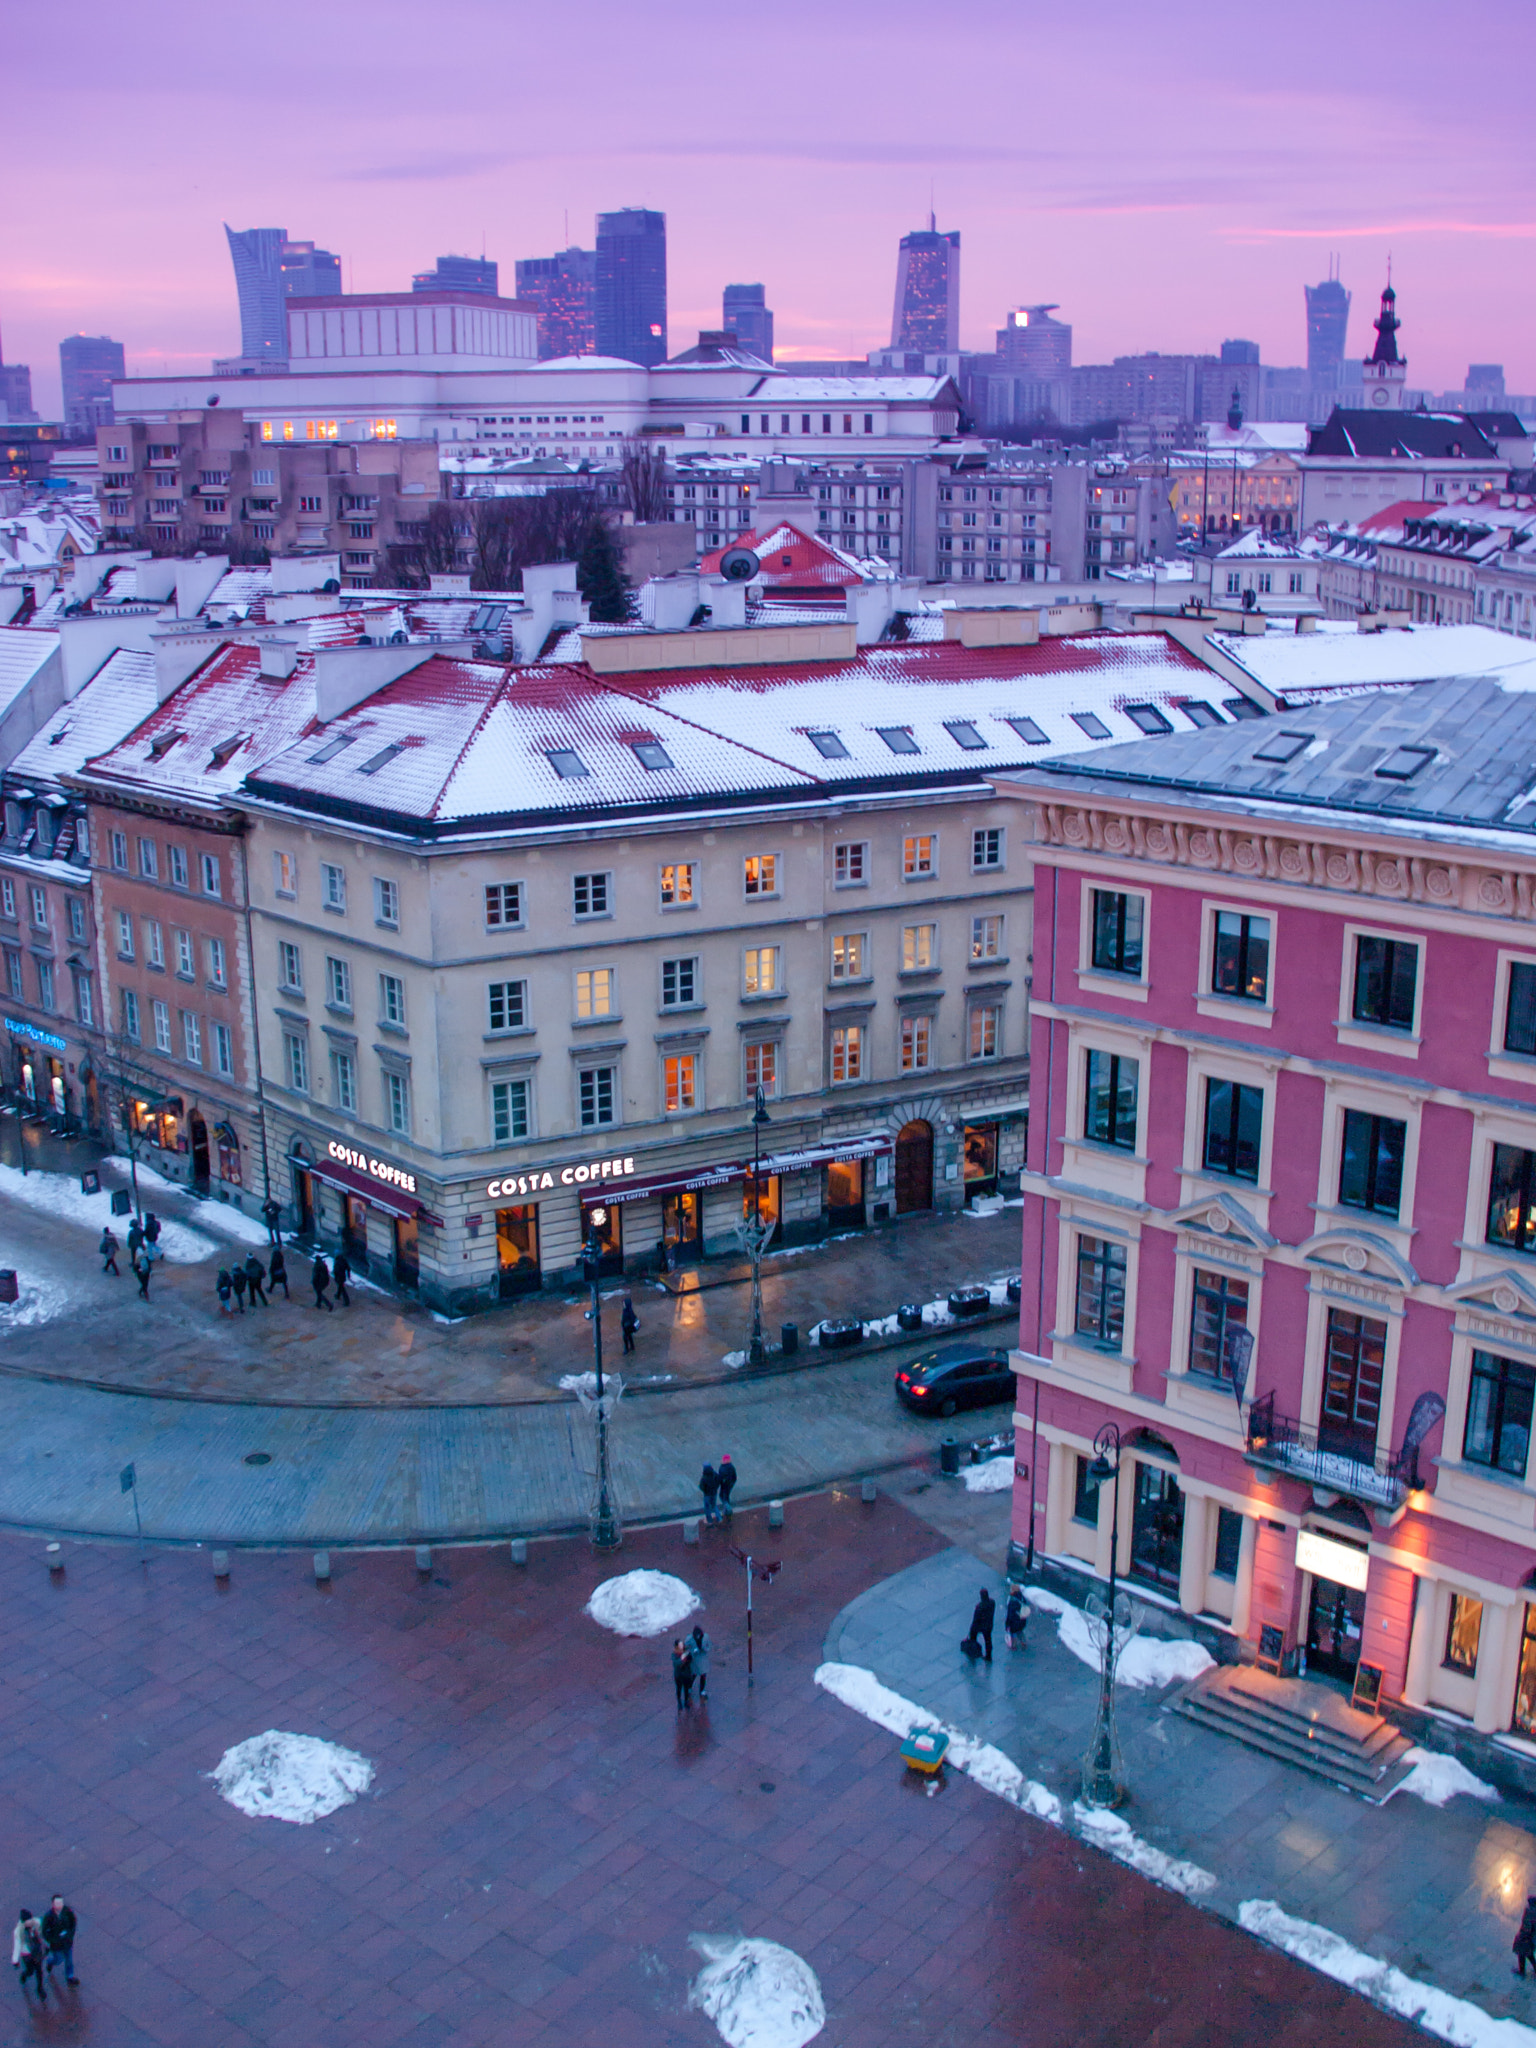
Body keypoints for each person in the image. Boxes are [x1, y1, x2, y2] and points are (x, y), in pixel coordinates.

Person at [41, 1897, 76, 1988]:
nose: (59, 1905)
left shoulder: (67, 1911)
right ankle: (50, 1962)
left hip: (67, 1942)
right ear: (53, 1904)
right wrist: (53, 1940)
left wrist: (70, 1934)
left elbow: (73, 1922)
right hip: (56, 1945)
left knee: (69, 1960)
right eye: (57, 1903)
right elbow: (45, 1931)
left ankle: (70, 1976)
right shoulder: (49, 1916)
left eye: (60, 1903)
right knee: (58, 1959)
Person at [12, 1909, 45, 2003]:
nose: (30, 1922)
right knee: (30, 1971)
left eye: (31, 1919)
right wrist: (15, 1960)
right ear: (24, 1922)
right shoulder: (18, 1932)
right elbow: (17, 1946)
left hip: (37, 1951)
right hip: (27, 1954)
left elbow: (42, 1933)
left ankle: (40, 1988)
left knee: (39, 1971)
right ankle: (24, 1975)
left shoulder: (37, 1923)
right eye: (28, 1921)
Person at [963, 1586, 996, 1664]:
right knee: (988, 1641)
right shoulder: (992, 1602)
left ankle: (973, 1651)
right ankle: (989, 1656)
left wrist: (971, 1629)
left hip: (980, 1626)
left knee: (973, 1637)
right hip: (988, 1625)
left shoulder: (979, 1607)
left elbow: (975, 1620)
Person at [689, 1623, 712, 1703]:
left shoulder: (706, 1637)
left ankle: (702, 1690)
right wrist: (692, 1652)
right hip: (695, 1661)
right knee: (694, 1675)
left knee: (703, 1676)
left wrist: (704, 1649)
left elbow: (708, 1647)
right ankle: (689, 1687)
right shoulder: (689, 1639)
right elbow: (686, 1648)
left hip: (702, 1661)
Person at [671, 1638, 694, 1711]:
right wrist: (682, 1658)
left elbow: (690, 1659)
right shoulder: (674, 1654)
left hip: (686, 1673)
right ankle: (679, 1702)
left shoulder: (686, 1650)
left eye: (682, 1644)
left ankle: (686, 1701)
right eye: (680, 1644)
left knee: (686, 1689)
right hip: (679, 1675)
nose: (682, 1645)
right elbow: (676, 1663)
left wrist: (688, 1656)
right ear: (677, 1646)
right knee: (679, 1689)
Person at [1516, 1896, 1536, 1977]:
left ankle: (1521, 1971)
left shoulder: (1529, 1912)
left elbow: (1527, 1926)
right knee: (1529, 1954)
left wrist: (1522, 1935)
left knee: (1521, 1953)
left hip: (1525, 1937)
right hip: (1531, 1938)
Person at [699, 1463, 721, 1527]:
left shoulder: (704, 1477)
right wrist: (715, 1488)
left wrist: (705, 1491)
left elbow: (701, 1487)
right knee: (714, 1505)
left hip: (707, 1495)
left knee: (707, 1508)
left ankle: (709, 1520)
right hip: (714, 1493)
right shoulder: (715, 1474)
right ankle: (719, 1518)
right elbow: (719, 1481)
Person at [717, 1454, 737, 1519]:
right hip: (730, 1484)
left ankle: (728, 1509)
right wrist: (732, 1483)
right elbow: (735, 1477)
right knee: (726, 1497)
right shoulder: (731, 1467)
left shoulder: (722, 1468)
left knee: (722, 1496)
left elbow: (720, 1478)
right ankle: (726, 1510)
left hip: (725, 1485)